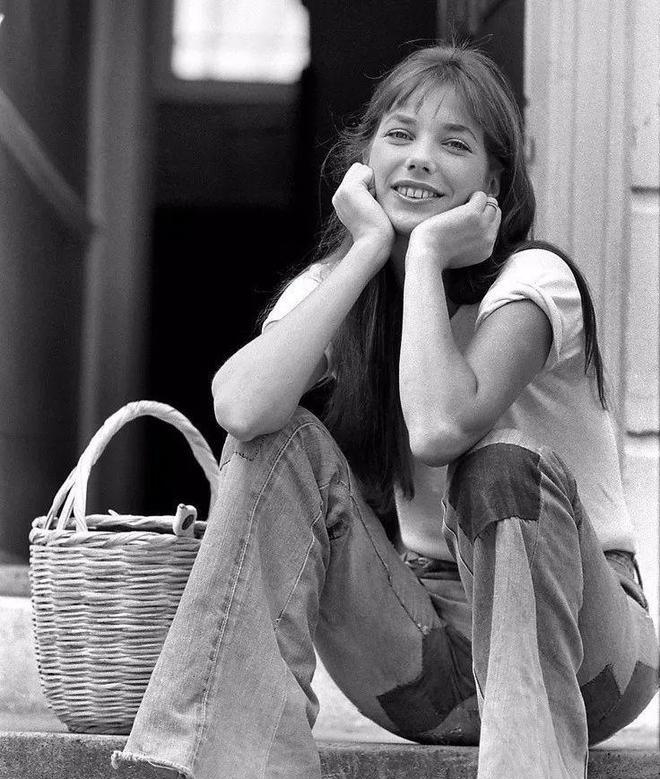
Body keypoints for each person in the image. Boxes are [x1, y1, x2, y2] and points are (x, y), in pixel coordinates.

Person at [112, 42, 659, 779]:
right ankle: (218, 764)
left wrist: (426, 255)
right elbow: (239, 408)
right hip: (422, 660)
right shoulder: (344, 283)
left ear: (494, 183)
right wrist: (370, 249)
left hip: (587, 660)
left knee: (500, 463)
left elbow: (440, 428)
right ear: (365, 159)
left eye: (454, 144)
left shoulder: (536, 281)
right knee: (274, 440)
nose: (421, 159)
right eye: (400, 134)